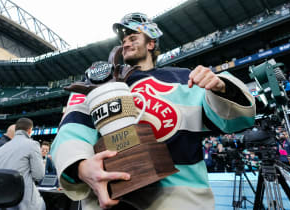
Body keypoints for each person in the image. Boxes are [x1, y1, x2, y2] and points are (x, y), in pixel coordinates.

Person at [51, 12, 256, 210]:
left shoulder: (185, 78)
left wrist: (222, 87)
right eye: (123, 41)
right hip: (109, 198)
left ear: (151, 44)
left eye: (133, 37)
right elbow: (72, 129)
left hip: (181, 200)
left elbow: (235, 121)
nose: (126, 43)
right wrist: (80, 166)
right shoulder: (96, 82)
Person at [0, 118, 45, 210]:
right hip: (23, 202)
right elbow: (39, 175)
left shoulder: (0, 149)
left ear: (16, 130)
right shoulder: (33, 144)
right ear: (30, 130)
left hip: (0, 201)